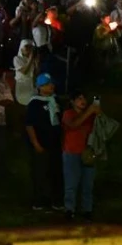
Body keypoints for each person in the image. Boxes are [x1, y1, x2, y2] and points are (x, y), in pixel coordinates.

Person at [24, 74, 63, 211]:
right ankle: (40, 200)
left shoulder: (55, 100)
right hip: (41, 143)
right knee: (41, 172)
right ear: (40, 87)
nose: (51, 86)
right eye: (47, 84)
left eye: (51, 83)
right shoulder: (34, 103)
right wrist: (36, 143)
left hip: (55, 143)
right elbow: (29, 125)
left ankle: (56, 199)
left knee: (56, 171)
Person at [62, 91, 102, 221]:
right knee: (71, 184)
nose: (82, 100)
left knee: (88, 184)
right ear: (72, 101)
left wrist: (98, 114)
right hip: (71, 153)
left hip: (88, 153)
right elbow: (73, 125)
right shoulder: (68, 114)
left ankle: (87, 210)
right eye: (79, 98)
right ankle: (69, 209)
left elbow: (103, 129)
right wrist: (89, 112)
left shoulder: (91, 116)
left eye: (85, 98)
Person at [13, 39, 37, 106]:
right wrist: (31, 58)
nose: (28, 49)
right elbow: (24, 71)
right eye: (26, 47)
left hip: (31, 86)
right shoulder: (17, 58)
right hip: (22, 87)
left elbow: (35, 73)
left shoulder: (32, 60)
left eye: (30, 47)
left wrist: (37, 63)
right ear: (21, 48)